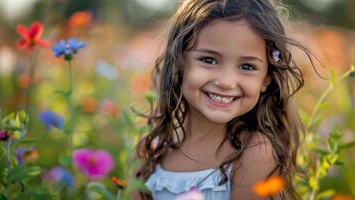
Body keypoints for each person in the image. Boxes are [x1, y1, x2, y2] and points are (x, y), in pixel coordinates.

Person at [133, 0, 317, 199]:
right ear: (179, 62)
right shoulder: (151, 150)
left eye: (247, 67)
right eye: (209, 60)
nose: (226, 82)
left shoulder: (254, 153)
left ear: (266, 79)